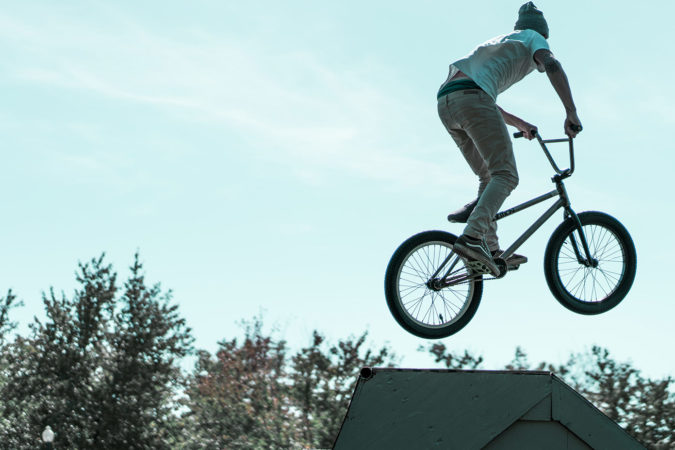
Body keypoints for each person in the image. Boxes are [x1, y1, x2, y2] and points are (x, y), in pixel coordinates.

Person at [437, 2, 581, 276]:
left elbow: (478, 96)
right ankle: (472, 237)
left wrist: (520, 124)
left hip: (447, 102)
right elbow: (552, 64)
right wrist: (571, 112)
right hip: (472, 99)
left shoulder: (503, 42)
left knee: (489, 176)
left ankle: (489, 250)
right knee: (506, 175)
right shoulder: (533, 37)